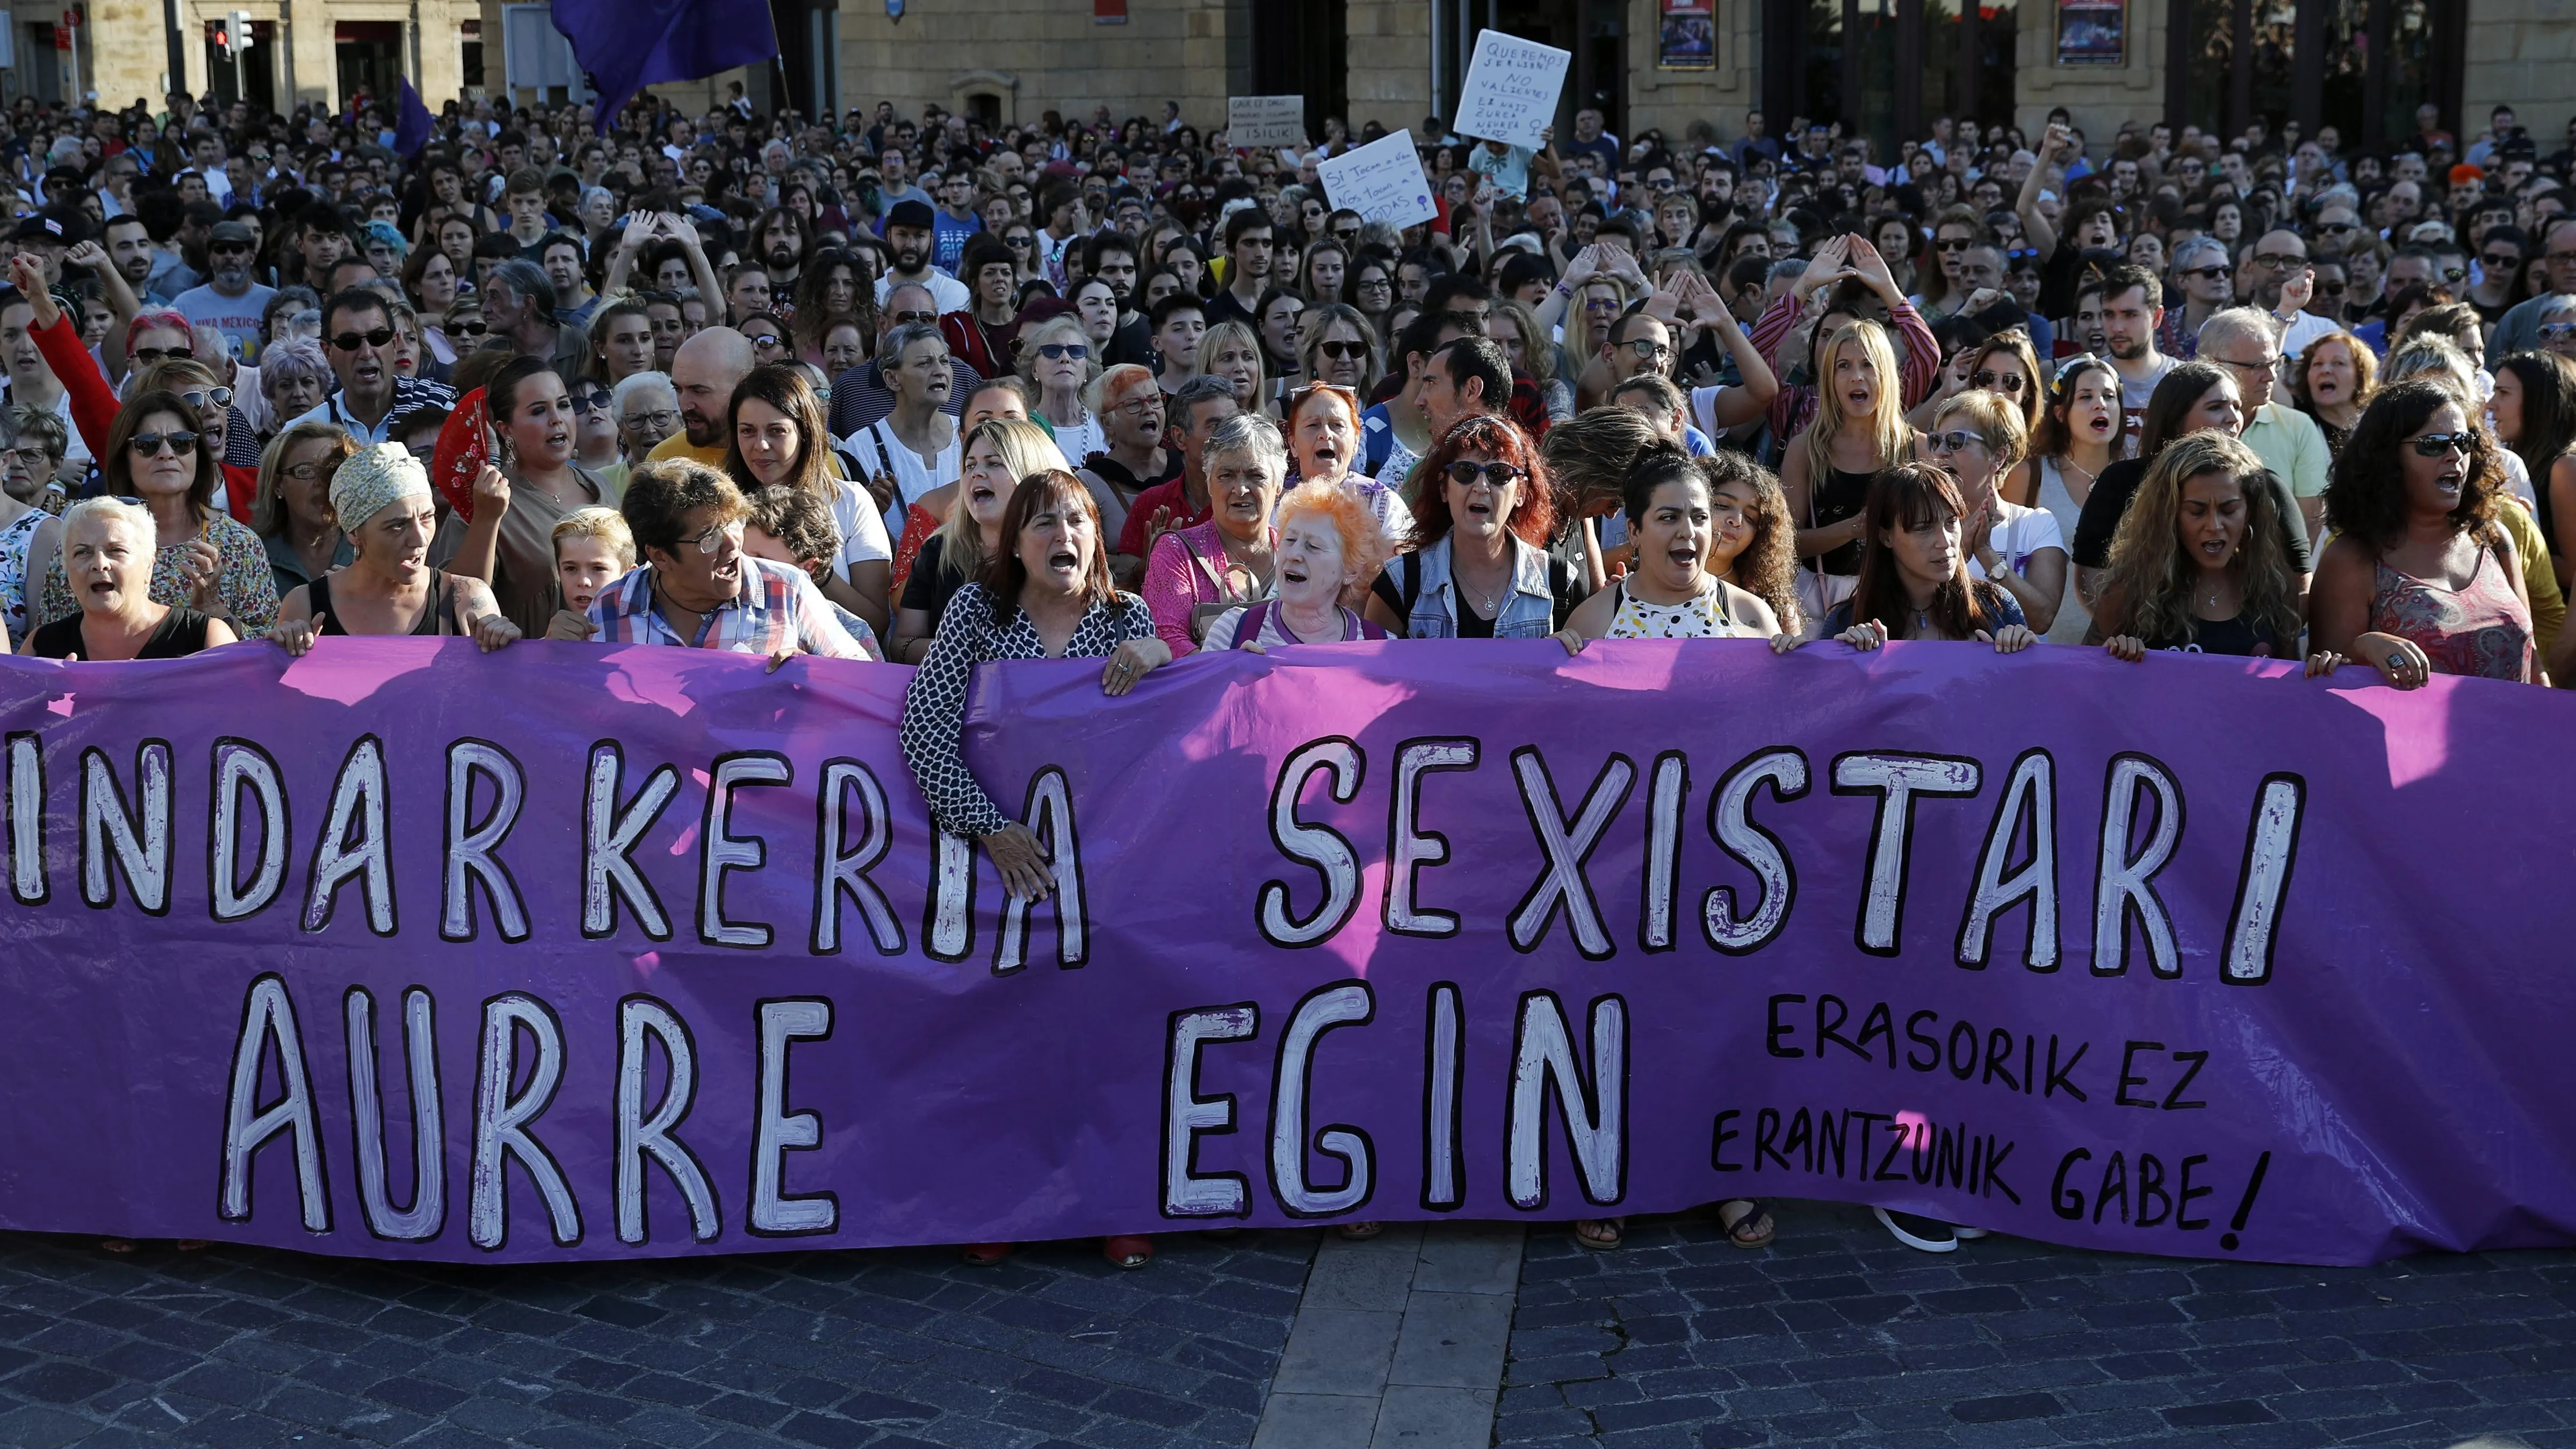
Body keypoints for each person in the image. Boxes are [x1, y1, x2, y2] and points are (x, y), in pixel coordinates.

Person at [896, 468, 1169, 1272]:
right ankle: (1001, 1200)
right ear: (1011, 544)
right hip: (1001, 867)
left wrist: (1163, 657)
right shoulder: (976, 616)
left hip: (1104, 871)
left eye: (1077, 521)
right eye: (1043, 523)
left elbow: (1165, 743)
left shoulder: (1129, 618)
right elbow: (924, 733)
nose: (1064, 537)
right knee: (1004, 1043)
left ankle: (1113, 1204)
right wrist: (991, 829)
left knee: (1102, 1043)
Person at [2313, 379, 2538, 684]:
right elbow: (2329, 682)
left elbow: (2533, 662)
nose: (2455, 455)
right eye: (2432, 444)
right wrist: (2365, 647)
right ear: (2388, 458)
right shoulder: (2352, 559)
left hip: (2514, 730)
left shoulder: (2493, 538)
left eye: (2463, 441)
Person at [27, 389, 278, 638]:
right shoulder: (82, 541)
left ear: (197, 455)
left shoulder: (238, 544)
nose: (167, 453)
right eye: (147, 445)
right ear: (124, 460)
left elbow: (267, 647)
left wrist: (216, 611)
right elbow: (51, 642)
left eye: (182, 443)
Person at [586, 459, 874, 662]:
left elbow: (862, 680)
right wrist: (552, 653)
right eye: (709, 536)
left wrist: (815, 674)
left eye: (734, 522)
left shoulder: (788, 591)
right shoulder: (611, 609)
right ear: (660, 556)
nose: (733, 543)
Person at [2070, 363, 2313, 603]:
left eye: (2237, 407)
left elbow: (2300, 584)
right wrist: (2138, 633)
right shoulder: (2121, 481)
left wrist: (2251, 635)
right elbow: (2091, 576)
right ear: (2176, 417)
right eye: (2216, 407)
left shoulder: (2266, 485)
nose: (2233, 418)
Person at [2089, 432, 2329, 665]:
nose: (2214, 526)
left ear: (2250, 512)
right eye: (2197, 511)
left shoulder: (2275, 587)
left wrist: (2326, 667)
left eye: (2229, 510)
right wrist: (2112, 656)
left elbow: (2289, 689)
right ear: (2169, 515)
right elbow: (2080, 674)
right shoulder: (2131, 589)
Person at [271, 443, 517, 653]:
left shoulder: (467, 600)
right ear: (355, 533)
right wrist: (284, 651)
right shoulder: (305, 605)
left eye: (426, 517)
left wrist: (502, 647)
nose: (420, 539)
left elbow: (492, 697)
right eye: (398, 526)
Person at [1806, 463, 2039, 676]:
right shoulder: (1847, 622)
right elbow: (1825, 711)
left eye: (1951, 522)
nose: (1945, 541)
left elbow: (2033, 705)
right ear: (1886, 537)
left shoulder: (1997, 607)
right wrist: (1848, 669)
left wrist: (2027, 660)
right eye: (1924, 528)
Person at [1364, 413, 1583, 638]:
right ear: (1443, 488)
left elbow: (1590, 667)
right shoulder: (1400, 582)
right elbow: (1366, 668)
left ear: (1521, 492)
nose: (1481, 487)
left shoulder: (1560, 582)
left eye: (1499, 474)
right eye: (1465, 471)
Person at [1554, 440, 1788, 649]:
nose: (1687, 532)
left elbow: (1776, 695)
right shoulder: (1592, 622)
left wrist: (1796, 661)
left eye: (1700, 518)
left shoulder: (1751, 615)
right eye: (1669, 517)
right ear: (1634, 532)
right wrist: (1548, 657)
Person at [439, 357, 608, 638]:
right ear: (506, 430)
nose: (557, 419)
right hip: (527, 675)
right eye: (539, 411)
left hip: (613, 667)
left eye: (564, 405)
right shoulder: (489, 502)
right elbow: (452, 605)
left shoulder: (603, 486)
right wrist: (486, 520)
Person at [723, 363, 893, 635]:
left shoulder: (851, 501)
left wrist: (816, 571)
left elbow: (876, 622)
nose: (761, 445)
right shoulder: (720, 507)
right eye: (748, 431)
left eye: (776, 431)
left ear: (805, 432)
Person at [889, 418, 1066, 664]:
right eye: (969, 466)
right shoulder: (938, 550)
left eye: (994, 463)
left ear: (1032, 475)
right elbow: (901, 646)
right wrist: (965, 651)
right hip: (961, 697)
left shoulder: (1065, 546)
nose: (976, 474)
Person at [1780, 319, 1921, 619]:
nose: (1857, 376)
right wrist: (1851, 529)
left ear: (1887, 374)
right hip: (1820, 605)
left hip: (1899, 602)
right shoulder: (1804, 449)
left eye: (1868, 365)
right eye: (1843, 366)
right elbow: (1786, 543)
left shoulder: (1917, 449)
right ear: (1829, 378)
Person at [18, 498, 237, 658]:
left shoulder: (206, 638)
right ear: (67, 568)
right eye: (83, 552)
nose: (99, 563)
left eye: (116, 550)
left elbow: (243, 714)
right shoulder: (41, 648)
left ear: (149, 564)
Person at [1142, 412, 1285, 655]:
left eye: (1256, 476)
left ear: (1279, 484)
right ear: (1209, 482)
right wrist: (1233, 673)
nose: (1240, 490)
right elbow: (1168, 639)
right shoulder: (1177, 552)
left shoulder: (1296, 551)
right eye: (1226, 476)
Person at [1929, 391, 2066, 635]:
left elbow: (2041, 620)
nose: (1940, 452)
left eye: (1955, 441)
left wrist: (1986, 554)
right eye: (1935, 440)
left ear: (1998, 457)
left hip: (2012, 672)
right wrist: (1961, 556)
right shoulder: (1922, 524)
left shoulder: (2036, 524)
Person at [2190, 309, 2334, 536]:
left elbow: (2309, 521)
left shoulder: (2298, 427)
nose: (2271, 377)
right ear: (2215, 364)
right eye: (2257, 367)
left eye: (2275, 364)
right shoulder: (2183, 423)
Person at [1200, 480, 1393, 650]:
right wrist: (1234, 672)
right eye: (1290, 540)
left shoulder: (1379, 648)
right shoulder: (1232, 632)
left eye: (1314, 546)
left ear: (1352, 569)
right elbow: (1203, 692)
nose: (1294, 555)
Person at [843, 321, 963, 543]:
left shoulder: (969, 436)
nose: (940, 371)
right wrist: (872, 513)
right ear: (892, 379)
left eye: (945, 361)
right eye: (924, 363)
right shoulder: (861, 447)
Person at [1114, 374, 1239, 583]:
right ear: (1180, 437)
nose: (1231, 435)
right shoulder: (1151, 505)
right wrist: (1150, 563)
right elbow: (1123, 590)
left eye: (1234, 424)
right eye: (1215, 426)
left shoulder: (1252, 501)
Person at [2491, 351, 2576, 589]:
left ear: (2537, 402)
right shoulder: (2514, 455)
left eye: (2503, 393)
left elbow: (2572, 571)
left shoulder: (2566, 466)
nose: (2490, 404)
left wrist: (2509, 544)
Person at [1283, 381, 1410, 539]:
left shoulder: (1383, 503)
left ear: (1357, 441)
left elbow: (1403, 561)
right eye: (1313, 425)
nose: (1326, 434)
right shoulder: (1274, 504)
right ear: (1293, 444)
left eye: (1337, 425)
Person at [253, 421, 357, 603]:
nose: (322, 482)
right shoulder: (253, 554)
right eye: (306, 471)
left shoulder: (372, 550)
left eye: (333, 470)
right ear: (278, 486)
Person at [1076, 364, 1179, 546]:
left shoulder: (1186, 466)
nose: (1149, 410)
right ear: (1108, 422)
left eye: (1155, 400)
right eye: (1134, 404)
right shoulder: (1089, 483)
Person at [544, 506, 636, 640]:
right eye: (571, 569)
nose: (583, 581)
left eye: (598, 568)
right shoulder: (554, 637)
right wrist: (548, 647)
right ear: (559, 571)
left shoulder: (647, 635)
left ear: (629, 575)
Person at [2290, 330, 2377, 462]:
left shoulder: (2379, 421)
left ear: (2359, 376)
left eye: (2338, 363)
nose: (2326, 370)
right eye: (2318, 364)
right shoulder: (2298, 420)